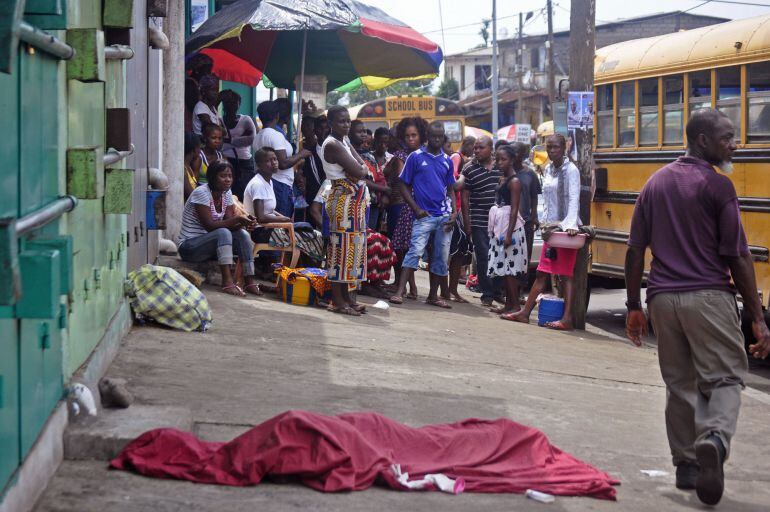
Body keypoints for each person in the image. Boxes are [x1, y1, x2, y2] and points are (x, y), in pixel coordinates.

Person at [624, 109, 770, 505]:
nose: (734, 144)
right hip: (708, 296)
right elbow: (737, 256)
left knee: (680, 383)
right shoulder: (718, 187)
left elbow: (635, 250)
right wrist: (758, 317)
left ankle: (687, 464)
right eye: (727, 137)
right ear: (702, 140)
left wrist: (634, 305)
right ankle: (715, 439)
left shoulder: (654, 184)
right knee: (724, 379)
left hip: (662, 300)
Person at [504, 134, 580, 329]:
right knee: (541, 273)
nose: (552, 151)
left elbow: (574, 199)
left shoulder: (571, 170)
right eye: (549, 148)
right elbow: (547, 200)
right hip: (551, 230)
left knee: (566, 275)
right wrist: (545, 224)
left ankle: (567, 319)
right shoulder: (548, 169)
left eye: (556, 147)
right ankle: (525, 312)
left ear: (564, 148)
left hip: (566, 231)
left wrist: (569, 225)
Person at [389, 122, 457, 308]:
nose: (437, 140)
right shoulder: (415, 157)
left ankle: (433, 296)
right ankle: (400, 291)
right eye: (434, 136)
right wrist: (415, 208)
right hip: (423, 215)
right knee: (415, 251)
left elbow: (451, 189)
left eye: (440, 136)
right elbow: (403, 184)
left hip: (444, 215)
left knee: (441, 256)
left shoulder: (447, 160)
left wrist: (454, 211)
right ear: (427, 136)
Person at [178, 160, 260, 297]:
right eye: (223, 176)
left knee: (243, 235)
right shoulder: (201, 193)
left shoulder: (226, 193)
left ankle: (249, 280)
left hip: (210, 246)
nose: (228, 180)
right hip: (190, 247)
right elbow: (210, 226)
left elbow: (229, 222)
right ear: (212, 177)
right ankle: (227, 281)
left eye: (230, 176)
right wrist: (238, 219)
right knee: (223, 233)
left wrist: (244, 223)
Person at [319, 106, 370, 316]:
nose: (346, 124)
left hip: (353, 201)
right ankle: (337, 301)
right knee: (340, 251)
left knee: (352, 251)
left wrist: (361, 170)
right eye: (341, 121)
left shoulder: (344, 140)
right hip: (343, 201)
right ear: (330, 122)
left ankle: (347, 298)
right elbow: (359, 170)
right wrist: (361, 170)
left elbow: (361, 167)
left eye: (348, 121)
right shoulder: (332, 144)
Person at [244, 148, 325, 266]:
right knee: (311, 237)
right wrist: (284, 220)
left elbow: (270, 210)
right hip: (261, 232)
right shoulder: (258, 184)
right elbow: (260, 217)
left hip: (270, 229)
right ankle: (306, 274)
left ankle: (306, 274)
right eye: (268, 161)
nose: (274, 163)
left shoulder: (268, 181)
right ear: (259, 165)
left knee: (314, 235)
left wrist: (284, 218)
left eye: (275, 159)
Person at [384, 117, 428, 299]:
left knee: (411, 249)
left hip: (423, 207)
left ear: (421, 136)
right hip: (406, 207)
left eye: (414, 135)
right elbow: (403, 179)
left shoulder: (426, 155)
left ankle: (412, 288)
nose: (411, 139)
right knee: (404, 248)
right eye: (408, 136)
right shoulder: (402, 156)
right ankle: (411, 288)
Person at [459, 135, 502, 306]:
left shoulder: (501, 165)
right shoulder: (469, 169)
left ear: (491, 149)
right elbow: (464, 198)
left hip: (500, 221)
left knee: (499, 255)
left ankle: (498, 291)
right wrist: (467, 224)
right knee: (484, 257)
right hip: (479, 220)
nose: (476, 151)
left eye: (480, 148)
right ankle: (487, 294)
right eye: (475, 148)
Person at [252, 101, 312, 218]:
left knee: (274, 222)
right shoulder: (275, 135)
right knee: (281, 223)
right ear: (277, 115)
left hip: (272, 183)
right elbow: (283, 163)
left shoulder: (258, 136)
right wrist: (301, 154)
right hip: (280, 184)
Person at [487, 145, 528, 315]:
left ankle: (515, 306)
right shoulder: (502, 179)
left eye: (503, 159)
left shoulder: (515, 182)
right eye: (497, 159)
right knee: (503, 269)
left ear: (511, 160)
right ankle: (508, 305)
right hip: (501, 227)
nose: (499, 162)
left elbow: (514, 210)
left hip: (511, 229)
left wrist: (509, 235)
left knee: (510, 270)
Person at [442, 135, 474, 304]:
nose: (450, 149)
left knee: (459, 251)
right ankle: (447, 291)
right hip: (451, 211)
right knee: (452, 251)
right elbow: (453, 185)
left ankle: (451, 290)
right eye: (448, 146)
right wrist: (463, 176)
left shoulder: (456, 158)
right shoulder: (456, 158)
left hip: (456, 209)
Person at [350, 120, 390, 231]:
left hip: (373, 204)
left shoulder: (369, 156)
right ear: (349, 132)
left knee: (370, 237)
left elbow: (380, 176)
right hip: (355, 203)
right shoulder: (347, 154)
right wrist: (385, 189)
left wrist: (383, 196)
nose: (363, 134)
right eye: (359, 131)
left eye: (364, 131)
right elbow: (360, 180)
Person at [219, 90, 257, 201]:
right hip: (227, 160)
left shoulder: (246, 120)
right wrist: (239, 140)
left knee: (245, 192)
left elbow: (251, 139)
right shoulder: (220, 121)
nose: (234, 105)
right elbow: (219, 144)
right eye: (230, 102)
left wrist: (228, 141)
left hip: (244, 162)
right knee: (228, 192)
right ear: (225, 104)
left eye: (236, 102)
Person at [511, 141, 541, 271]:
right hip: (508, 223)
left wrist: (534, 217)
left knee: (525, 259)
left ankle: (521, 287)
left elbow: (535, 197)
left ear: (523, 155)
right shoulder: (505, 171)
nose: (513, 154)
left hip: (526, 222)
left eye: (516, 152)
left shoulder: (530, 174)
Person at [302, 116, 329, 227]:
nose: (323, 131)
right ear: (315, 131)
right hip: (313, 199)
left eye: (327, 128)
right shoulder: (309, 153)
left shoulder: (338, 151)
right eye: (320, 128)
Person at [183, 132, 202, 201]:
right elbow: (192, 196)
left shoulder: (189, 167)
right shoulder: (183, 170)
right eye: (199, 148)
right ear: (194, 149)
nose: (200, 151)